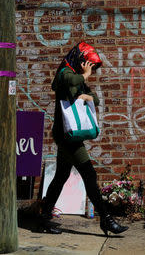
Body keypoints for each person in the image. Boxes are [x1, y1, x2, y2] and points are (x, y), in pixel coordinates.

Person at [40, 42, 128, 235]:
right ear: (79, 59)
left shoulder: (80, 80)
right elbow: (72, 82)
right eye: (87, 64)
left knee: (60, 177)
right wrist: (85, 76)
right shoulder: (65, 73)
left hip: (69, 135)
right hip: (67, 136)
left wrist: (87, 97)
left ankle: (44, 217)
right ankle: (106, 220)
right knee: (89, 175)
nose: (90, 70)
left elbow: (94, 98)